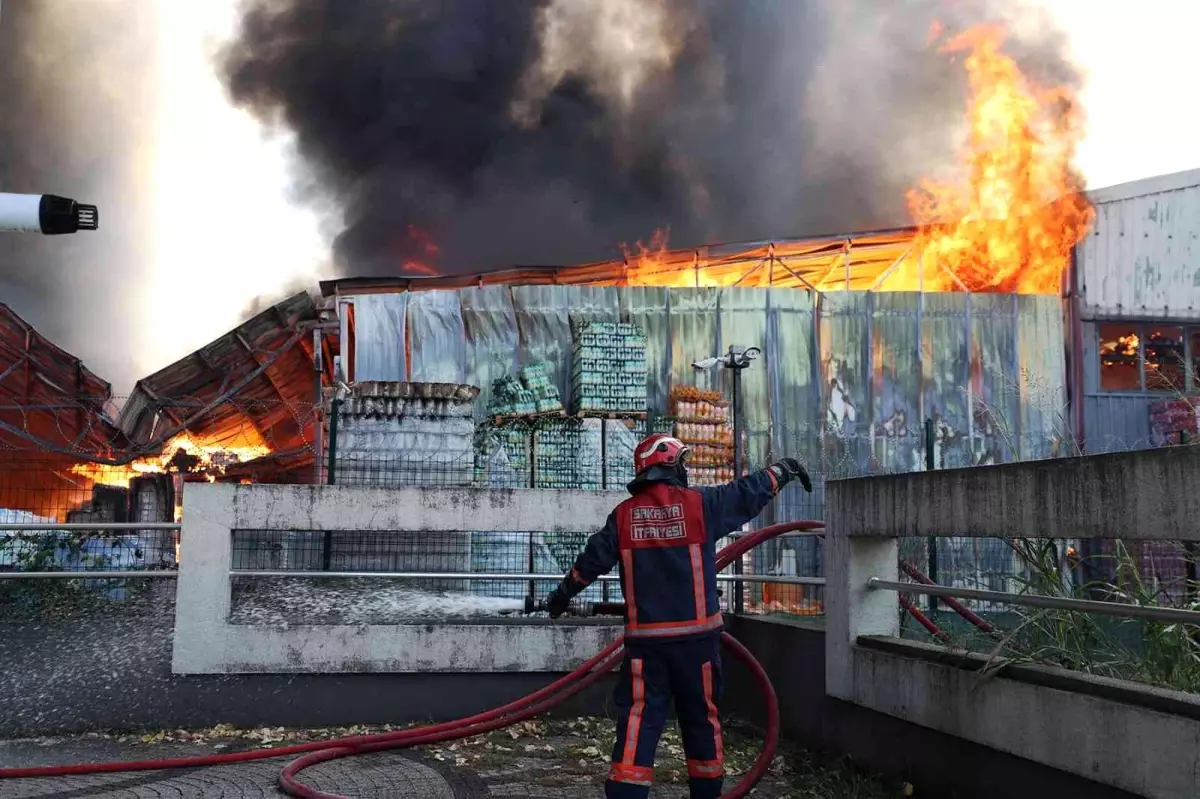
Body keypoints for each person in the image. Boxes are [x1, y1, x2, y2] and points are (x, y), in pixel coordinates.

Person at [543, 433, 812, 799]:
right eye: (682, 461)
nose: (685, 468)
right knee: (702, 720)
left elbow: (589, 563)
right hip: (697, 644)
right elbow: (746, 492)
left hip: (646, 647)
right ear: (669, 463)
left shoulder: (623, 516)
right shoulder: (700, 505)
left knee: (639, 720)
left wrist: (560, 598)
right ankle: (707, 792)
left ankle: (626, 793)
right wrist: (785, 470)